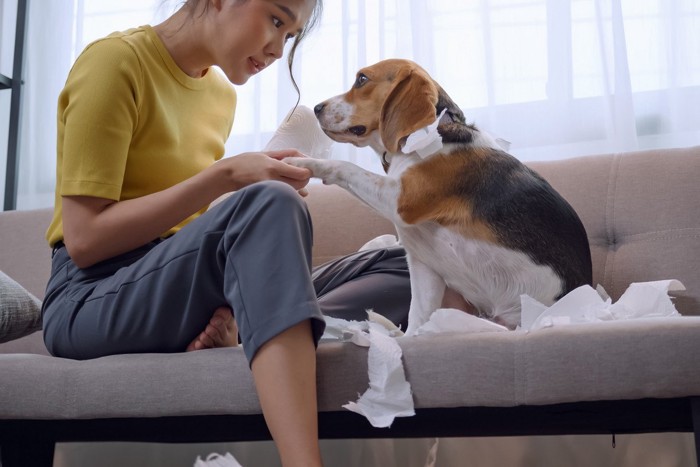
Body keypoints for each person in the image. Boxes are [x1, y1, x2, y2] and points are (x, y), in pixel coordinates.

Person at [41, 0, 416, 465]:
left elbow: (181, 229)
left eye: (290, 35)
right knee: (268, 204)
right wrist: (225, 179)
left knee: (406, 261)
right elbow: (84, 242)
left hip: (172, 280)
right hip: (91, 296)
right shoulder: (115, 62)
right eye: (276, 20)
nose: (278, 49)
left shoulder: (220, 96)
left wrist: (249, 214)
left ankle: (249, 322)